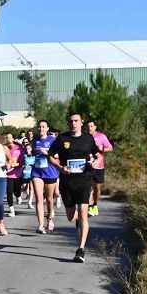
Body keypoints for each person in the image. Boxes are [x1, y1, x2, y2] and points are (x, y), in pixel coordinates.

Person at [48, 112, 101, 263]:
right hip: (67, 182)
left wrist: (96, 162)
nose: (73, 124)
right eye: (71, 121)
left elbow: (98, 155)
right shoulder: (62, 138)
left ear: (81, 122)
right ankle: (78, 220)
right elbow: (50, 156)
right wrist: (59, 167)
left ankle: (81, 250)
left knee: (83, 213)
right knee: (71, 217)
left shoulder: (88, 139)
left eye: (76, 121)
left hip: (84, 180)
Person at [31, 120, 59, 234]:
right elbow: (32, 153)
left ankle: (50, 218)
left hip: (50, 172)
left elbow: (58, 155)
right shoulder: (35, 140)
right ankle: (41, 225)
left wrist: (47, 152)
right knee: (38, 198)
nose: (41, 129)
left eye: (43, 127)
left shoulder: (53, 140)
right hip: (37, 172)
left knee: (49, 198)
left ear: (47, 129)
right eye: (39, 127)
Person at [87, 118, 113, 217]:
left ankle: (95, 205)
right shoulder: (85, 137)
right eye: (88, 126)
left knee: (97, 188)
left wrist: (102, 148)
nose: (89, 128)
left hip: (99, 166)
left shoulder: (101, 136)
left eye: (91, 126)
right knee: (89, 187)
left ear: (95, 127)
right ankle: (89, 206)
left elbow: (110, 148)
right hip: (88, 165)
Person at [4, 132, 24, 216]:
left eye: (10, 137)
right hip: (7, 174)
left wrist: (15, 164)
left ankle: (18, 195)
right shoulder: (3, 148)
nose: (8, 139)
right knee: (9, 191)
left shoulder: (18, 148)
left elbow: (22, 161)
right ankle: (12, 210)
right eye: (7, 137)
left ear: (13, 139)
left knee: (16, 191)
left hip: (17, 173)